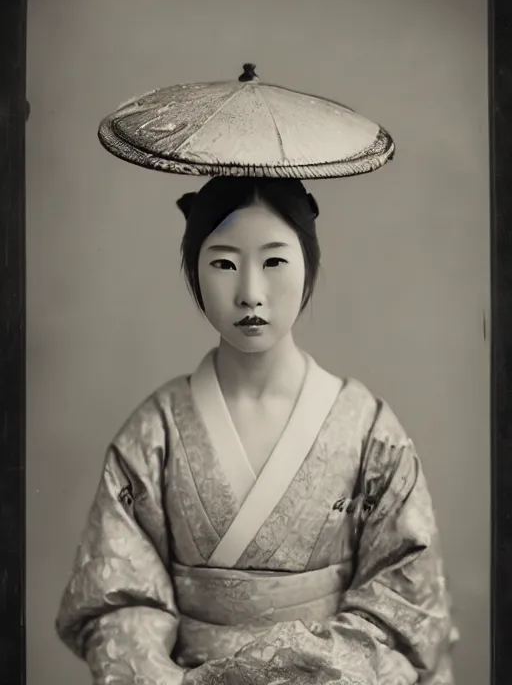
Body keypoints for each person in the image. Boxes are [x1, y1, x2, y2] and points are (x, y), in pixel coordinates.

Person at [56, 177, 458, 685]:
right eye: (223, 263)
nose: (250, 293)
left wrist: (301, 671)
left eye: (274, 261)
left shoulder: (367, 431)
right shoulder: (154, 433)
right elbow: (117, 596)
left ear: (308, 262)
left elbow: (405, 602)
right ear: (194, 271)